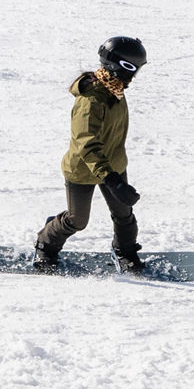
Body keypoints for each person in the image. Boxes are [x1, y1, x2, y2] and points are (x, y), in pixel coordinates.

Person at [33, 37, 148, 274]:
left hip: (112, 164)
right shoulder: (91, 99)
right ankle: (46, 244)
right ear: (117, 65)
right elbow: (86, 144)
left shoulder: (115, 90)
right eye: (131, 69)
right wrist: (112, 180)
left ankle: (124, 252)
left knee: (123, 214)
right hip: (83, 168)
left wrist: (115, 174)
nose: (133, 77)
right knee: (77, 220)